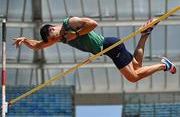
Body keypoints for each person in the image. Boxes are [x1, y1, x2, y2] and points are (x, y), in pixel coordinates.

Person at [13, 17, 176, 83]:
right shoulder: (58, 37)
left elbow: (93, 24)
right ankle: (144, 35)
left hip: (109, 46)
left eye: (54, 37)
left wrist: (75, 34)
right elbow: (38, 46)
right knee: (138, 67)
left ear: (52, 29)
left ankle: (164, 65)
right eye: (53, 41)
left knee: (133, 77)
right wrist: (26, 40)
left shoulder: (70, 23)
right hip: (110, 48)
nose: (56, 41)